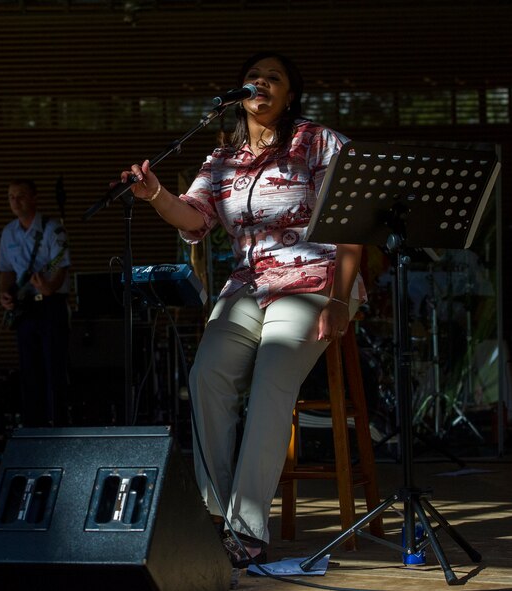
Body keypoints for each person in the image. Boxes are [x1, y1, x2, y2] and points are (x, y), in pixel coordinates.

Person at [119, 51, 365, 567]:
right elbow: (193, 219)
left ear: (290, 94)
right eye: (253, 78)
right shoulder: (221, 158)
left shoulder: (319, 142)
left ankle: (247, 529)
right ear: (238, 94)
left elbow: (351, 224)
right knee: (208, 376)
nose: (261, 84)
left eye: (274, 78)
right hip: (247, 286)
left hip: (313, 280)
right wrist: (156, 194)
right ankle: (219, 516)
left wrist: (341, 299)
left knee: (272, 378)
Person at [0, 180, 71, 427]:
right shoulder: (8, 232)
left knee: (55, 368)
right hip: (24, 307)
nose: (15, 201)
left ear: (34, 198)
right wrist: (4, 294)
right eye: (10, 197)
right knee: (29, 370)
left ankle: (59, 425)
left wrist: (49, 287)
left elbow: (61, 265)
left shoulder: (53, 229)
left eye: (20, 196)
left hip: (50, 305)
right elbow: (6, 270)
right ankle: (33, 427)